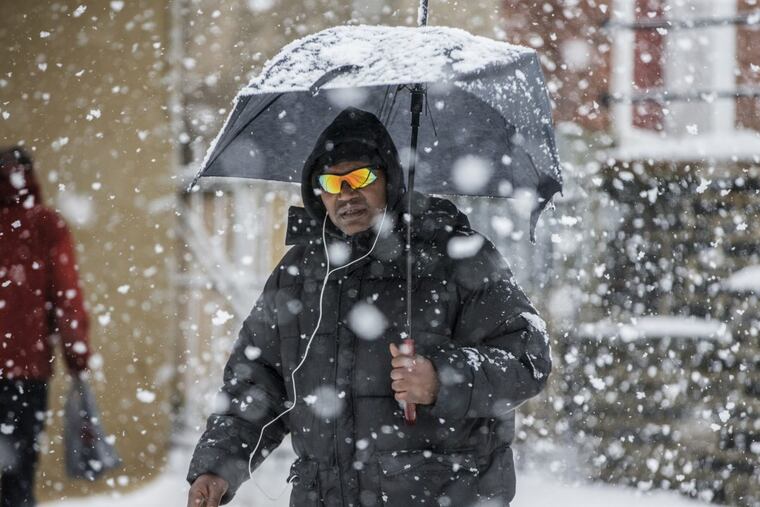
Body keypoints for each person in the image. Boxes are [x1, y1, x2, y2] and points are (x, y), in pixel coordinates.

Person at [187, 108, 551, 507]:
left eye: (360, 177)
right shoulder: (299, 272)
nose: (346, 193)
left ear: (389, 178)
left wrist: (443, 379)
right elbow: (258, 382)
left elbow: (527, 360)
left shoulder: (458, 256)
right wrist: (218, 467)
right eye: (331, 182)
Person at [0, 146, 90, 507]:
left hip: (24, 368)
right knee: (18, 476)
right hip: (26, 372)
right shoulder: (45, 226)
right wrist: (76, 356)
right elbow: (67, 296)